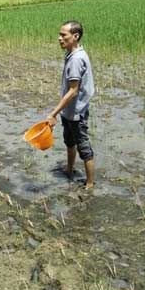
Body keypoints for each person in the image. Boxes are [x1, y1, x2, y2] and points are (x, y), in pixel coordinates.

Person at [46, 21, 96, 189]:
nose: (59, 38)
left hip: (77, 112)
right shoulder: (73, 54)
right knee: (69, 141)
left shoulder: (76, 59)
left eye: (63, 35)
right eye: (59, 35)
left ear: (75, 37)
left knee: (83, 146)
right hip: (69, 111)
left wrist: (53, 113)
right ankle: (69, 168)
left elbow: (73, 90)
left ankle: (89, 184)